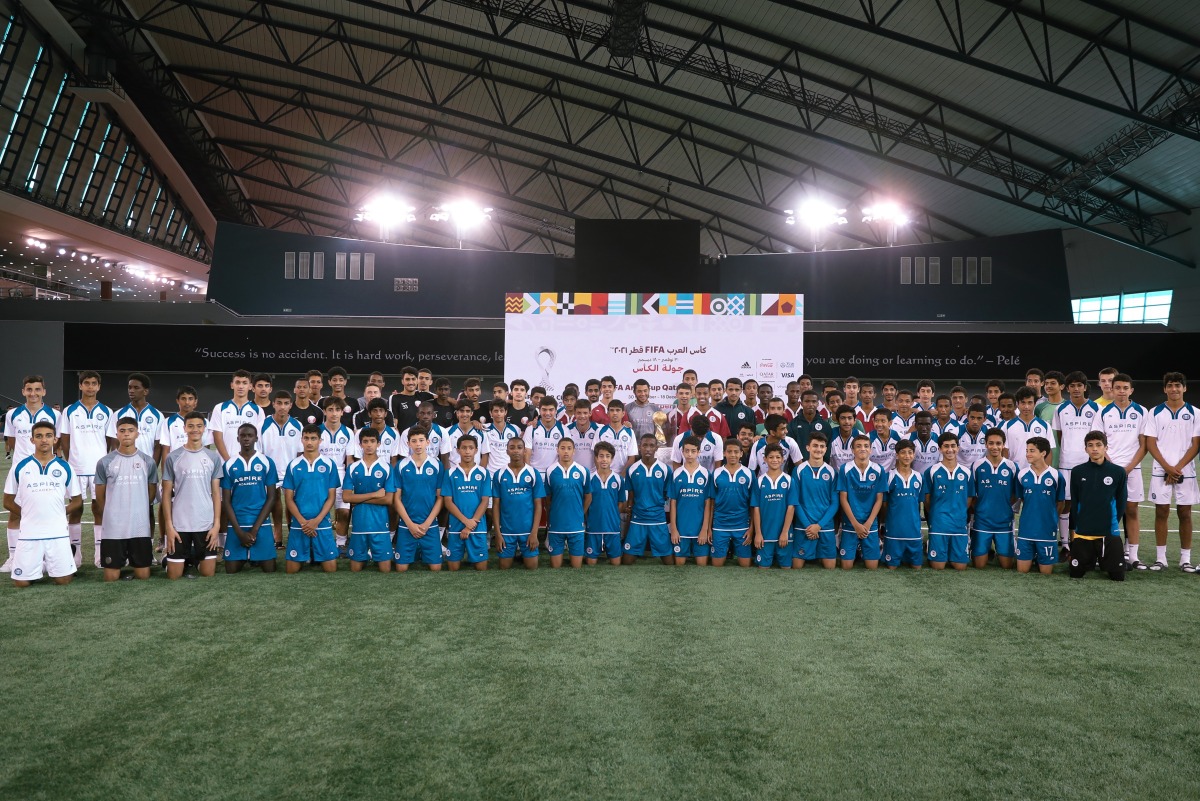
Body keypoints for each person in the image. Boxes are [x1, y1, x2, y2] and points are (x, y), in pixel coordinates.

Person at [3, 420, 81, 587]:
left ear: (55, 439)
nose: (44, 440)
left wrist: (60, 513)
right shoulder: (20, 467)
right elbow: (7, 501)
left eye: (48, 436)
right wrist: (26, 514)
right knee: (21, 583)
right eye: (39, 436)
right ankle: (41, 563)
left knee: (63, 581)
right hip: (29, 531)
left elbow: (77, 500)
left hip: (57, 531)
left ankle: (60, 558)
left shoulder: (65, 467)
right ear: (32, 440)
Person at [1144, 371, 1199, 572]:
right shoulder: (1154, 412)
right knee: (1161, 511)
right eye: (1170, 385)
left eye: (1178, 385)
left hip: (1186, 470)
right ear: (1164, 388)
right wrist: (1167, 467)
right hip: (1161, 468)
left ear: (1185, 388)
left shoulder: (1195, 412)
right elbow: (1151, 443)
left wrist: (1177, 468)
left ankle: (1185, 559)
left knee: (1185, 512)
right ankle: (1161, 559)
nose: (1174, 389)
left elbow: (1196, 444)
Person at [58, 370, 113, 568]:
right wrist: (72, 461)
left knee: (100, 509)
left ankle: (100, 554)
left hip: (98, 469)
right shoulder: (69, 411)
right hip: (76, 468)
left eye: (93, 383)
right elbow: (65, 439)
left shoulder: (107, 411)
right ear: (80, 385)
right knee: (76, 509)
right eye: (86, 383)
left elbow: (109, 440)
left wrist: (102, 459)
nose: (90, 387)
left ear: (99, 386)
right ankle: (75, 555)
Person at [94, 417, 159, 581]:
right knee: (111, 577)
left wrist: (140, 509)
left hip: (139, 526)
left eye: (130, 430)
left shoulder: (148, 461)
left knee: (143, 575)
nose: (126, 434)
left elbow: (151, 493)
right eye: (122, 431)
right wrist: (111, 513)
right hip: (114, 528)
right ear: (116, 434)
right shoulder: (105, 462)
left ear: (137, 434)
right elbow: (100, 496)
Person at [162, 412, 223, 580]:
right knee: (174, 576)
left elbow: (216, 493)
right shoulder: (173, 457)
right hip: (180, 524)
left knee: (208, 573)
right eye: (190, 426)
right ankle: (171, 559)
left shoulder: (213, 457)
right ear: (184, 428)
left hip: (205, 522)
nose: (195, 429)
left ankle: (192, 558)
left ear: (204, 429)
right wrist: (169, 526)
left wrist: (216, 524)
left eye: (199, 426)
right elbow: (166, 494)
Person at [1098, 373, 1148, 569]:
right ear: (1112, 389)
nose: (1121, 391)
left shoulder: (1142, 411)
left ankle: (1133, 556)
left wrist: (1128, 467)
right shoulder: (1102, 412)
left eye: (1125, 388)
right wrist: (1112, 466)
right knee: (1106, 511)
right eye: (1117, 388)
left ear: (1131, 390)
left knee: (1132, 510)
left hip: (1132, 469)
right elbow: (1099, 442)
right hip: (1108, 469)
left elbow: (1144, 444)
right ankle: (1103, 553)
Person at [1053, 371, 1101, 555]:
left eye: (1079, 385)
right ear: (1067, 388)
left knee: (1087, 503)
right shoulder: (1061, 409)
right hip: (1066, 463)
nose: (1075, 389)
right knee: (1065, 503)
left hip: (1088, 464)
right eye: (1072, 385)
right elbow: (1060, 435)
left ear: (1085, 387)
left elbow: (1098, 437)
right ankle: (1065, 544)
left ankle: (1084, 542)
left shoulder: (1096, 408)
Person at [1068, 431, 1127, 581]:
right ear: (1085, 449)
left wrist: (1112, 522)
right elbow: (1075, 501)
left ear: (1106, 447)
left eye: (1098, 445)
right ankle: (1090, 558)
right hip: (1083, 532)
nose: (1094, 449)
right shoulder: (1077, 471)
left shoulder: (1118, 472)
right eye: (1090, 445)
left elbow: (1121, 502)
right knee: (1075, 574)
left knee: (1117, 576)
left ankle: (1109, 559)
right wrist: (1078, 525)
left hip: (1108, 532)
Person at [282, 424, 340, 574]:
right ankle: (308, 554)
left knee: (331, 570)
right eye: (306, 438)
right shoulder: (293, 465)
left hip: (322, 522)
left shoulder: (329, 464)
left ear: (320, 440)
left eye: (313, 438)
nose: (309, 442)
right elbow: (288, 499)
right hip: (299, 523)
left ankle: (313, 553)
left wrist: (316, 521)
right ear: (301, 439)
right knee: (291, 571)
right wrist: (303, 522)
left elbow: (331, 497)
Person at [220, 423, 278, 573]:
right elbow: (226, 501)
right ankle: (246, 556)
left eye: (250, 435)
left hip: (261, 523)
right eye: (243, 436)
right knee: (231, 570)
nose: (246, 439)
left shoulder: (267, 462)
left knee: (270, 569)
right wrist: (239, 533)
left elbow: (272, 497)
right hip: (237, 523)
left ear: (256, 438)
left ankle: (255, 556)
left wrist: (255, 529)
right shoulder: (229, 464)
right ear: (237, 438)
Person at [342, 428, 396, 572]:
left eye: (372, 441)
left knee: (385, 569)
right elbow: (346, 497)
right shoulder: (352, 468)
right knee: (355, 569)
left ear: (379, 444)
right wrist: (375, 494)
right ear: (360, 444)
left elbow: (388, 499)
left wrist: (358, 500)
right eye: (365, 441)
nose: (369, 445)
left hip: (380, 525)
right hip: (359, 524)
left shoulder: (387, 468)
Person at [393, 426, 444, 572]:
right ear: (408, 443)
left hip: (430, 525)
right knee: (401, 568)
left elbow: (440, 498)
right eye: (414, 441)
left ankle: (421, 551)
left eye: (421, 440)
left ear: (428, 442)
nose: (418, 444)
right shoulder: (401, 466)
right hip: (407, 525)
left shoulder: (437, 465)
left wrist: (427, 524)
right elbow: (396, 499)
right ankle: (416, 552)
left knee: (436, 568)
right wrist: (409, 524)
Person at [924, 432, 974, 571]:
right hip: (939, 523)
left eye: (953, 446)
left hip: (959, 523)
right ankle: (931, 545)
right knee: (938, 566)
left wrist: (959, 512)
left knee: (960, 567)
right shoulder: (931, 471)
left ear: (958, 448)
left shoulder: (967, 472)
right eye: (946, 446)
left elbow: (969, 498)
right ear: (940, 449)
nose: (950, 449)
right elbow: (927, 500)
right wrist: (937, 514)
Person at [440, 434, 490, 571]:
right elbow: (448, 502)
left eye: (471, 448)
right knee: (453, 568)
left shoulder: (484, 473)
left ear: (476, 450)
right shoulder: (449, 473)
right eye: (464, 448)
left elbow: (485, 501)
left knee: (481, 568)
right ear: (458, 450)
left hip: (477, 526)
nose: (467, 451)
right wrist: (466, 522)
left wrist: (470, 525)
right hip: (456, 526)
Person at [491, 437, 543, 570]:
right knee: (504, 567)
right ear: (507, 451)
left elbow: (538, 505)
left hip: (528, 532)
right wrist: (498, 534)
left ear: (524, 451)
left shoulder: (533, 473)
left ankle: (522, 553)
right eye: (512, 447)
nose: (516, 451)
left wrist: (534, 533)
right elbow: (495, 505)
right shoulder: (499, 474)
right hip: (507, 532)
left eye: (519, 448)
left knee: (532, 567)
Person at [1015, 437, 1065, 575]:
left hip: (1046, 530)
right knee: (1022, 571)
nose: (1028, 454)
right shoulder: (1022, 474)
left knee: (1046, 573)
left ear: (1043, 453)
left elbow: (1060, 503)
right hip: (1026, 529)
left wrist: (1052, 519)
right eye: (1027, 451)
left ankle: (1039, 558)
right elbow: (1021, 499)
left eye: (1032, 451)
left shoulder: (1056, 476)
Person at [259, 390, 303, 546]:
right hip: (271, 471)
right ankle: (277, 535)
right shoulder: (263, 424)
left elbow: (300, 452)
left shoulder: (297, 425)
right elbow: (259, 451)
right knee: (275, 500)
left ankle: (293, 532)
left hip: (291, 471)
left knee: (292, 501)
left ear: (290, 405)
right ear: (273, 404)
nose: (282, 407)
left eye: (286, 403)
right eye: (279, 403)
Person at [970, 429, 1017, 569]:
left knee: (1007, 565)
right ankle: (983, 549)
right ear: (985, 444)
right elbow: (972, 494)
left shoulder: (1012, 467)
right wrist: (981, 508)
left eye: (998, 443)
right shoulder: (977, 465)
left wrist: (1005, 506)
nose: (994, 447)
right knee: (979, 565)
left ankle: (1000, 550)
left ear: (1003, 445)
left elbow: (1016, 494)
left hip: (1004, 521)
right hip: (982, 521)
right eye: (991, 443)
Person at [837, 435, 886, 570]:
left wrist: (869, 522)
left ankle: (867, 547)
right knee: (846, 567)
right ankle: (853, 548)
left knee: (872, 567)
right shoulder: (845, 469)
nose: (862, 449)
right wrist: (855, 524)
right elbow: (843, 498)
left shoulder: (879, 470)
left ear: (871, 449)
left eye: (866, 446)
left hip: (870, 524)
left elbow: (879, 499)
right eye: (858, 446)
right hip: (851, 523)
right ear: (852, 450)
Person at [623, 434, 672, 565]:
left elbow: (666, 494)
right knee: (626, 561)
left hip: (658, 518)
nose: (648, 449)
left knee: (669, 562)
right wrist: (629, 511)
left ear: (656, 448)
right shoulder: (632, 469)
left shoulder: (665, 469)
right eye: (645, 445)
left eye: (651, 445)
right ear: (640, 447)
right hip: (638, 519)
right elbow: (631, 496)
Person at [791, 433, 839, 570]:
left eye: (822, 446)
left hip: (825, 526)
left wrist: (819, 526)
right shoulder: (798, 470)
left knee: (830, 567)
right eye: (815, 446)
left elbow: (835, 503)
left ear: (826, 449)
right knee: (796, 567)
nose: (818, 449)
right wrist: (808, 526)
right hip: (804, 527)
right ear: (808, 448)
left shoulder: (832, 472)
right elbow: (795, 501)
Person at [318, 396, 355, 554]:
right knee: (320, 511)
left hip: (341, 474)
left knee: (344, 512)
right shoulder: (317, 431)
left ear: (342, 412)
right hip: (320, 476)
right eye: (330, 410)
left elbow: (350, 460)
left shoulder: (348, 432)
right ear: (324, 411)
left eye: (337, 410)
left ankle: (341, 543)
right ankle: (320, 542)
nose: (334, 413)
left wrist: (349, 481)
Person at [668, 436, 713, 566]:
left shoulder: (706, 474)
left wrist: (705, 529)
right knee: (679, 565)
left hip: (700, 530)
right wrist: (674, 529)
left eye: (693, 451)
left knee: (701, 566)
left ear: (699, 452)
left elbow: (708, 503)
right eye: (686, 451)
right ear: (682, 451)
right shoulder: (676, 474)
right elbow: (673, 503)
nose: (689, 454)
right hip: (681, 530)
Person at [751, 443, 797, 568]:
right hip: (765, 534)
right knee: (763, 568)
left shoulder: (789, 480)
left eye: (778, 457)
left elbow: (791, 507)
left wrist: (785, 532)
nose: (774, 460)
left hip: (784, 534)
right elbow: (756, 508)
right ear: (765, 459)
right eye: (771, 457)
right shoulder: (759, 481)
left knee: (786, 567)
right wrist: (758, 533)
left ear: (783, 460)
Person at [545, 438, 589, 568]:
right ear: (557, 450)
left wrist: (580, 513)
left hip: (576, 525)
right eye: (562, 448)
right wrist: (552, 514)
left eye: (569, 448)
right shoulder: (550, 471)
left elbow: (588, 496)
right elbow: (547, 498)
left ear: (574, 451)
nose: (566, 451)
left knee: (576, 566)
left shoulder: (583, 471)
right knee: (555, 567)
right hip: (556, 524)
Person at [882, 439, 923, 570]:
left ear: (914, 455)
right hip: (894, 529)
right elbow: (884, 504)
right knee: (892, 567)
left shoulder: (919, 477)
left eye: (910, 452)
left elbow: (919, 503)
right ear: (897, 455)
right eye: (903, 452)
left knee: (917, 567)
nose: (907, 456)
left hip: (913, 529)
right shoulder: (889, 476)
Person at [584, 441, 626, 566]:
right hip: (593, 528)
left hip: (612, 528)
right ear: (596, 458)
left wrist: (612, 516)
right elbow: (585, 502)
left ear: (612, 458)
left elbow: (621, 503)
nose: (604, 459)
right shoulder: (589, 478)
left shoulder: (619, 479)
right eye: (601, 456)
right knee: (591, 563)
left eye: (608, 456)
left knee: (616, 563)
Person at [209, 369, 264, 462]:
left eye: (244, 383)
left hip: (250, 463)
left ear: (250, 386)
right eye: (237, 382)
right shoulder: (220, 408)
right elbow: (217, 438)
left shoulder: (258, 410)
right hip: (225, 463)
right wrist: (228, 461)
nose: (241, 386)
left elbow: (259, 439)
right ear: (232, 385)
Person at [1003, 389, 1057, 470]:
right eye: (1023, 403)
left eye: (1030, 403)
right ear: (1017, 404)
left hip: (1037, 472)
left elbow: (1048, 452)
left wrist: (1046, 472)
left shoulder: (1045, 426)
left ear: (1035, 404)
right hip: (1014, 471)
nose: (1026, 407)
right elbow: (1004, 451)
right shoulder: (1007, 426)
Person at [786, 389, 833, 463]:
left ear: (818, 404)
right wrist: (799, 466)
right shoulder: (792, 424)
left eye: (814, 401)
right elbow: (790, 449)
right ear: (801, 403)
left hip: (819, 466)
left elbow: (827, 450)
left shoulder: (825, 425)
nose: (810, 404)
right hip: (798, 466)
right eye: (807, 401)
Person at [523, 396, 566, 475]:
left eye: (551, 410)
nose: (547, 413)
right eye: (544, 410)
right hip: (535, 473)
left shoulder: (564, 430)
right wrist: (529, 473)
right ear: (539, 410)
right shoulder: (531, 429)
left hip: (555, 474)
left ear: (556, 411)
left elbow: (565, 454)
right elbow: (526, 454)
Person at [482, 400, 521, 476]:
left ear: (505, 412)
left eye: (501, 411)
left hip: (510, 473)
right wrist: (473, 422)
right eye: (496, 411)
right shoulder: (484, 429)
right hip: (491, 474)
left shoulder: (515, 429)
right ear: (490, 413)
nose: (499, 414)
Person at [598, 399, 638, 472]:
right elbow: (596, 455)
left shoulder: (630, 432)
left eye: (618, 410)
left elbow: (632, 457)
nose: (615, 413)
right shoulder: (600, 431)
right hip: (605, 474)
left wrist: (623, 475)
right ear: (608, 413)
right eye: (612, 410)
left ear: (623, 413)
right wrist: (603, 473)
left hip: (623, 474)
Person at [565, 404, 600, 471]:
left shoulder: (598, 429)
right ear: (574, 413)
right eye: (579, 413)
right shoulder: (566, 428)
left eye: (585, 413)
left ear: (590, 413)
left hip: (592, 472)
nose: (582, 416)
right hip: (572, 471)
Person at [868, 407, 902, 472]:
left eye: (883, 421)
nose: (879, 424)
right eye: (876, 421)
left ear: (890, 423)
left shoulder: (899, 437)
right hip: (873, 474)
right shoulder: (868, 438)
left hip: (892, 474)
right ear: (873, 421)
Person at [389, 366, 421, 431]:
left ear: (417, 380)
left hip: (421, 436)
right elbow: (394, 425)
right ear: (402, 381)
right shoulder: (395, 398)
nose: (411, 382)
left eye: (413, 379)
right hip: (402, 437)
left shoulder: (423, 396)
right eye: (407, 379)